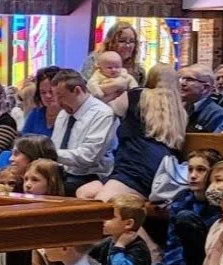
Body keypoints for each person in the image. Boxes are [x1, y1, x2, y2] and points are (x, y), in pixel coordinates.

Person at [76, 64, 185, 203]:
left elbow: (108, 109)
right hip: (161, 167)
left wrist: (109, 87)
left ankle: (131, 221)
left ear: (150, 78)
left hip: (134, 164)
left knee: (102, 207)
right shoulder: (179, 109)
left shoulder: (137, 95)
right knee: (84, 192)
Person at [50, 69, 118, 197]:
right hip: (63, 173)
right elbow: (55, 147)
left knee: (48, 189)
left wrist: (50, 153)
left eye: (61, 97)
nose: (58, 103)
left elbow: (88, 157)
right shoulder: (64, 114)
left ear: (77, 91)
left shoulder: (103, 114)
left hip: (89, 176)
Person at [158, 148, 223, 265]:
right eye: (190, 169)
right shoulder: (182, 198)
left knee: (185, 218)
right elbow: (173, 244)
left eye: (201, 170)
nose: (193, 175)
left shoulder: (220, 204)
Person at [82, 21, 147, 87]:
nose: (128, 45)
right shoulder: (94, 61)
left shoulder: (139, 71)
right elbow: (84, 90)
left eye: (132, 41)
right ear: (110, 42)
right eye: (122, 41)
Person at [178, 65, 223, 133]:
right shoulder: (182, 108)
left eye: (189, 79)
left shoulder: (216, 114)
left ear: (205, 88)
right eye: (182, 79)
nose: (182, 83)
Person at [21, 66, 61, 137]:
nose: (47, 96)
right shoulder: (36, 113)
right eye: (43, 92)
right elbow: (24, 139)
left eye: (51, 91)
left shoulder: (69, 115)